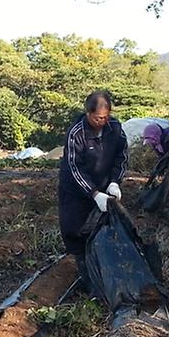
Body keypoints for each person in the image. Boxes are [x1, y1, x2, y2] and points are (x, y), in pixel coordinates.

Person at [58, 91, 128, 288]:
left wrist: (115, 182)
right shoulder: (76, 133)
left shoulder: (115, 128)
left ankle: (105, 272)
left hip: (105, 187)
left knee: (103, 228)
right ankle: (88, 282)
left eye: (106, 117)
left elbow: (121, 157)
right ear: (88, 113)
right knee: (76, 231)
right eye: (98, 118)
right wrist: (94, 193)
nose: (103, 121)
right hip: (76, 191)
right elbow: (74, 167)